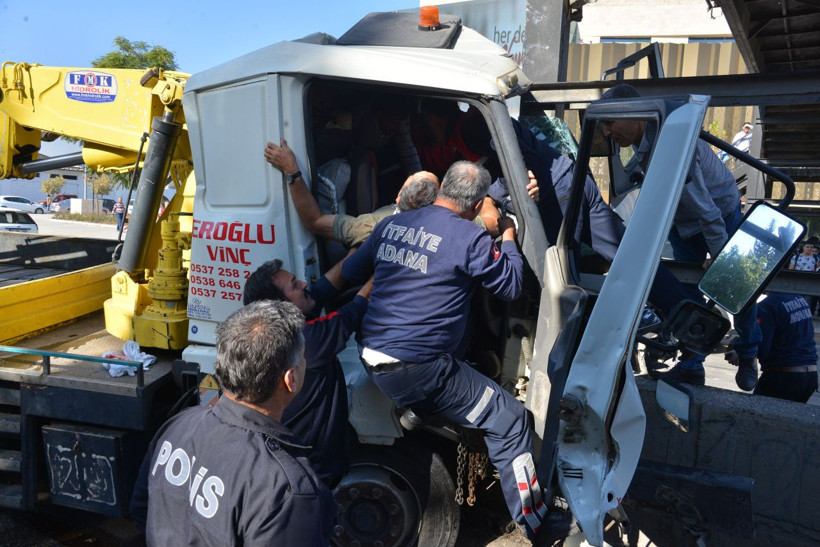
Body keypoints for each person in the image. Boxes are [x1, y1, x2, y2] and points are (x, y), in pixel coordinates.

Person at [342, 161, 547, 537]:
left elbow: (352, 270)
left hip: (372, 354)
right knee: (511, 420)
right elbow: (513, 285)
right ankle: (538, 524)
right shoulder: (468, 238)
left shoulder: (391, 224)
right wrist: (507, 235)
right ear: (475, 206)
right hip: (420, 369)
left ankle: (419, 413)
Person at [597, 84, 761, 390]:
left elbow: (707, 211)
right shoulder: (641, 143)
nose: (606, 133)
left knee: (735, 285)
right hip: (684, 222)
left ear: (637, 117)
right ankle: (691, 366)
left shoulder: (672, 145)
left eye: (609, 123)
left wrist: (717, 254)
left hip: (717, 213)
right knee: (687, 294)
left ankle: (749, 352)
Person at [136, 300, 335, 545]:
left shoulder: (177, 426)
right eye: (303, 357)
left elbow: (142, 510)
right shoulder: (287, 490)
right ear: (290, 379)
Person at [242, 257, 371, 487]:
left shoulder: (273, 334)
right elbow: (359, 305)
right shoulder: (305, 341)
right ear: (283, 308)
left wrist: (360, 251)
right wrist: (395, 259)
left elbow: (323, 288)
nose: (303, 284)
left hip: (285, 469)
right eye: (294, 284)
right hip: (307, 476)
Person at [726, 292, 818, 403]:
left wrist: (741, 355)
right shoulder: (799, 299)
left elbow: (763, 347)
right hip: (810, 376)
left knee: (757, 416)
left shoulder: (767, 306)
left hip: (783, 378)